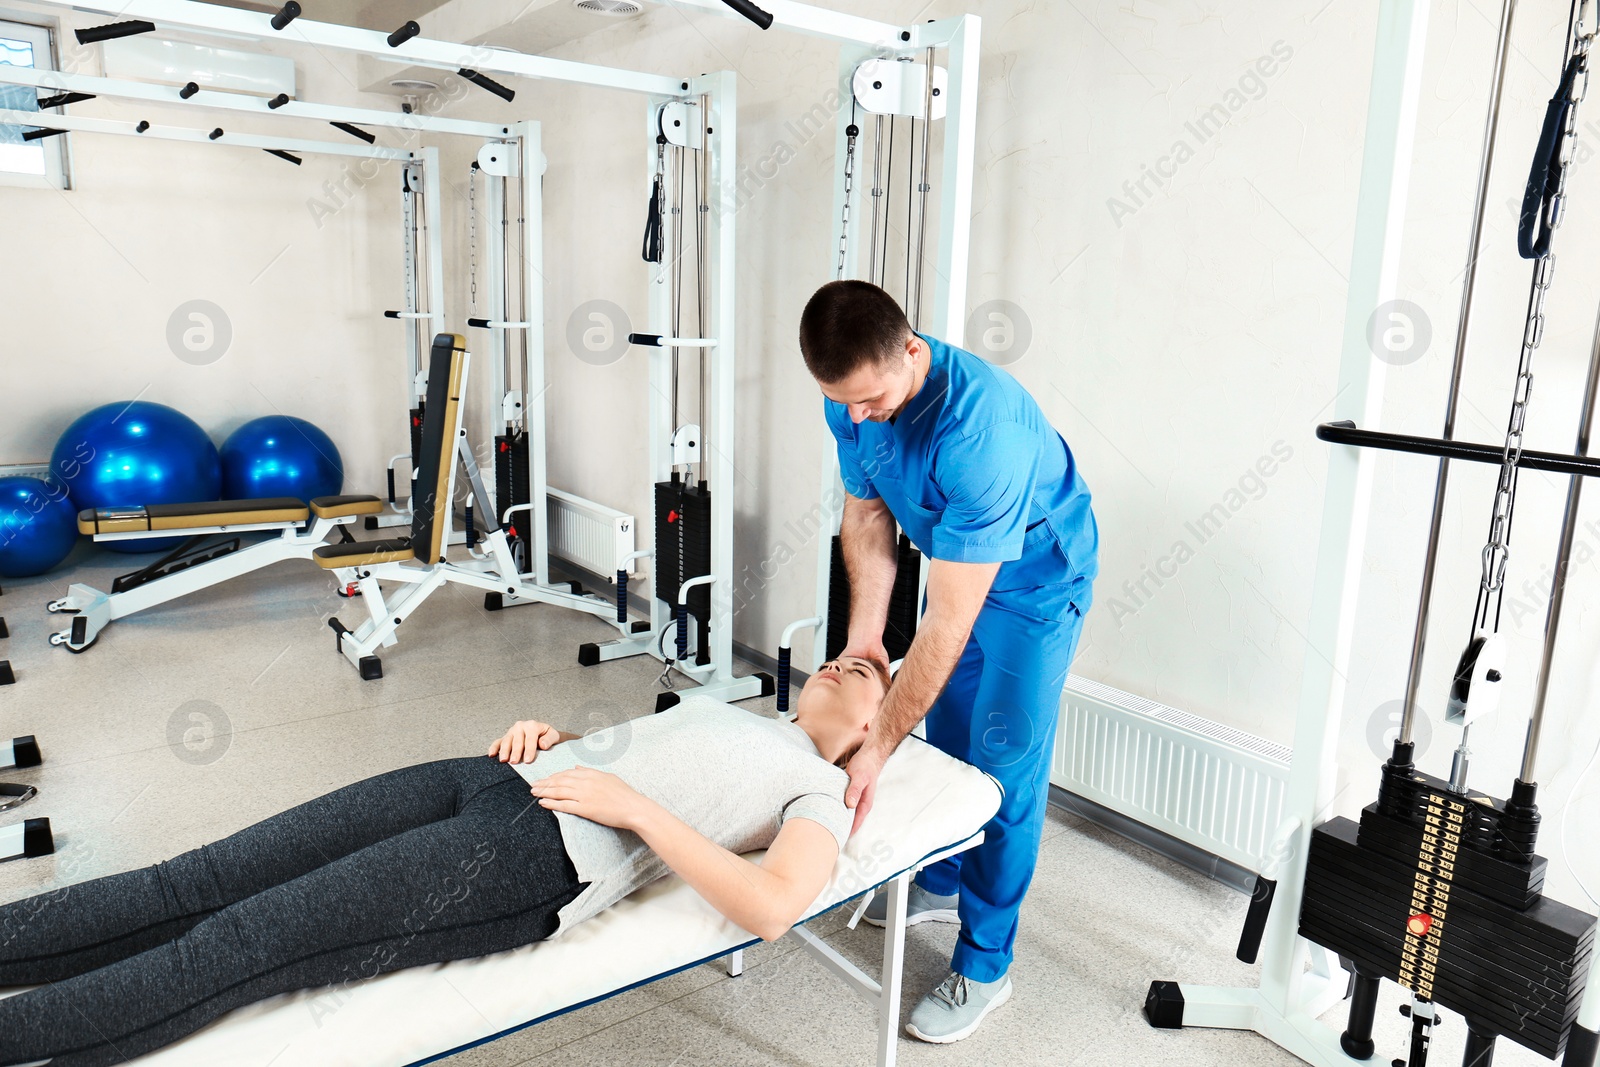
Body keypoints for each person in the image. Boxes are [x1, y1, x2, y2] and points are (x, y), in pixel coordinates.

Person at [0, 658, 888, 1067]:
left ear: (872, 732)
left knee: (240, 940)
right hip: (488, 778)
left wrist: (638, 812)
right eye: (844, 651)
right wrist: (559, 734)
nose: (851, 657)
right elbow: (636, 759)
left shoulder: (816, 790)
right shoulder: (733, 710)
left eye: (872, 672)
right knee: (192, 879)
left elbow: (773, 906)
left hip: (531, 856)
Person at [799, 279, 1098, 1044]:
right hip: (961, 569)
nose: (856, 417)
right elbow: (866, 514)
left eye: (870, 400)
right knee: (949, 734)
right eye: (844, 404)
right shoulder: (853, 394)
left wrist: (876, 746)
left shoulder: (979, 430)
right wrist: (866, 638)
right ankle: (942, 873)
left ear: (912, 349)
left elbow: (952, 617)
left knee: (1001, 762)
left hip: (1034, 584)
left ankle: (986, 962)